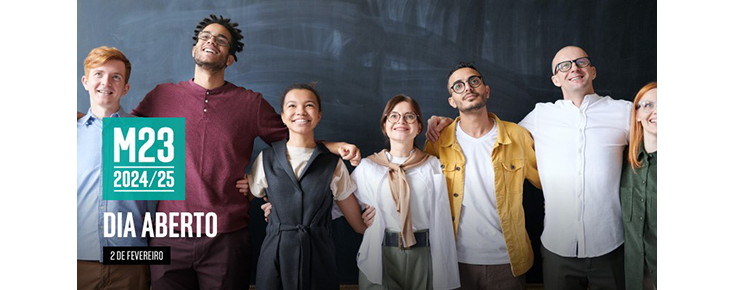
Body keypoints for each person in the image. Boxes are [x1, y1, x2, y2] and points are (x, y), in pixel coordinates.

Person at [129, 15, 360, 289]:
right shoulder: (161, 96)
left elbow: (293, 138)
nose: (211, 41)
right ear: (194, 49)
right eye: (205, 37)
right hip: (168, 234)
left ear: (229, 59)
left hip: (227, 236)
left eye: (221, 40)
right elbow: (118, 134)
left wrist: (331, 147)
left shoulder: (250, 103)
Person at [397, 62, 540, 289]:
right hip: (453, 260)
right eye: (458, 85)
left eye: (474, 81)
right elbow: (418, 190)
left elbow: (547, 183)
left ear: (486, 90)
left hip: (507, 262)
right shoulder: (439, 141)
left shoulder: (518, 136)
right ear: (452, 101)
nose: (468, 88)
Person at [247, 83, 366, 290]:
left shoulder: (333, 163)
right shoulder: (266, 159)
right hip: (275, 253)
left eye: (309, 105)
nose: (300, 111)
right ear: (283, 116)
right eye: (292, 106)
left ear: (319, 115)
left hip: (319, 254)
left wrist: (375, 219)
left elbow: (357, 223)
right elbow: (245, 198)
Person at [351, 95, 459, 290]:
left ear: (419, 127)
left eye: (409, 116)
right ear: (384, 126)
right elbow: (338, 201)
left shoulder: (434, 165)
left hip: (424, 254)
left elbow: (464, 135)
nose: (401, 121)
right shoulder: (367, 167)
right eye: (393, 116)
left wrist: (445, 121)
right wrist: (358, 220)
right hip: (380, 254)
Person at [77, 46, 155, 290]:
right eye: (98, 74)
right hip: (76, 261)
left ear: (126, 87)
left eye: (116, 77)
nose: (106, 82)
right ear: (85, 81)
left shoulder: (148, 136)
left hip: (130, 261)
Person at [620, 82, 657, 290]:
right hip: (634, 275)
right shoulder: (623, 163)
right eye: (648, 105)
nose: (657, 112)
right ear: (636, 114)